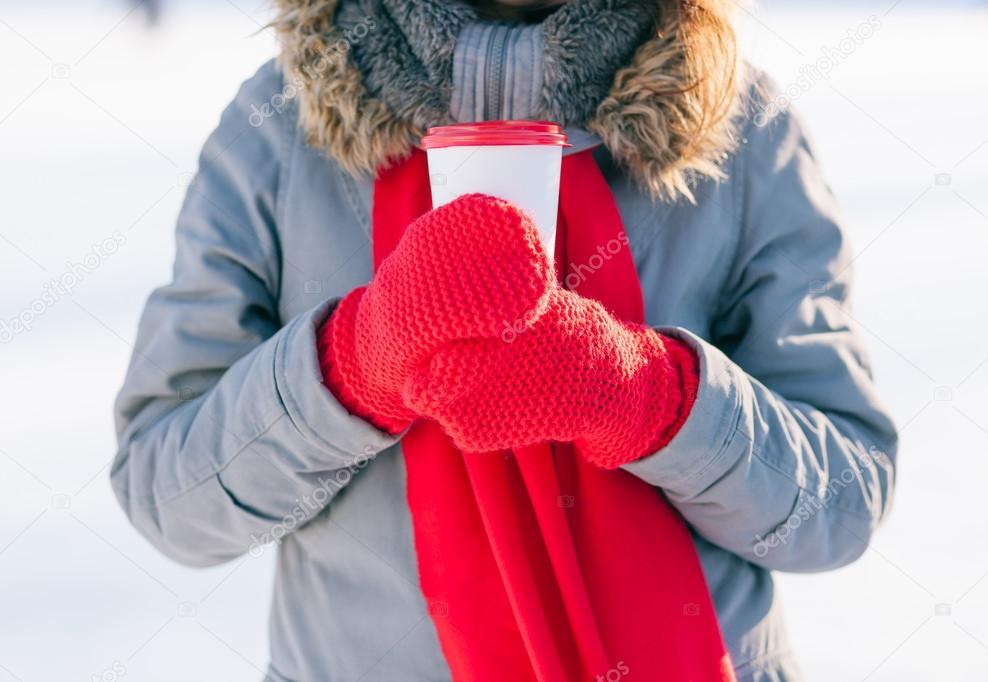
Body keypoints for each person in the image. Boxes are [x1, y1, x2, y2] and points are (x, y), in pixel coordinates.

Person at [110, 1, 898, 680]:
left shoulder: (741, 126)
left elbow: (842, 503)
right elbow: (168, 496)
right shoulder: (278, 131)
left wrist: (651, 399)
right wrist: (347, 370)